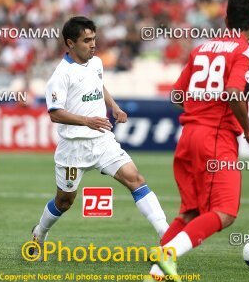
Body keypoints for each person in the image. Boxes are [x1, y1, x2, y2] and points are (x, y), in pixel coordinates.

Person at [146, 0, 249, 282]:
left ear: (226, 20)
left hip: (188, 138)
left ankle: (156, 267)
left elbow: (176, 96)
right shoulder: (245, 51)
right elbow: (235, 92)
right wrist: (248, 129)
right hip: (215, 138)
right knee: (225, 212)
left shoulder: (202, 49)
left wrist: (198, 112)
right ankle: (163, 262)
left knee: (192, 212)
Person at [28, 16, 169, 258]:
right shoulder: (61, 75)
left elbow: (98, 85)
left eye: (94, 39)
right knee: (64, 202)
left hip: (102, 141)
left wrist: (114, 106)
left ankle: (166, 235)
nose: (93, 44)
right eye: (86, 40)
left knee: (135, 179)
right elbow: (55, 113)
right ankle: (39, 233)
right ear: (70, 44)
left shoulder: (96, 63)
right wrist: (87, 121)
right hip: (73, 148)